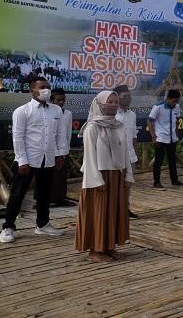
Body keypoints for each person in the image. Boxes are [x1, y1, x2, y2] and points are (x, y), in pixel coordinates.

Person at [0, 77, 66, 244]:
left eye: (48, 87)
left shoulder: (56, 111)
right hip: (27, 161)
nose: (46, 90)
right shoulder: (22, 111)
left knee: (44, 194)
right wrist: (22, 161)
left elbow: (60, 135)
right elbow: (18, 137)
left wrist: (60, 155)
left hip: (48, 159)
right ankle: (8, 227)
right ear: (32, 90)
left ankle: (43, 224)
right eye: (42, 87)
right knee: (17, 195)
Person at [75, 91, 133, 262]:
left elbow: (125, 152)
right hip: (98, 176)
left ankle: (109, 246)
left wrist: (128, 174)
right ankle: (95, 250)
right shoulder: (92, 127)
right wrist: (96, 180)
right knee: (98, 212)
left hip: (116, 175)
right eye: (110, 102)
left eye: (116, 102)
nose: (114, 105)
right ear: (100, 104)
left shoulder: (119, 125)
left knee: (113, 212)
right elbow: (89, 156)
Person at [148, 89, 183, 188]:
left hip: (172, 138)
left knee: (172, 160)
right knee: (158, 161)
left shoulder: (177, 106)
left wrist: (176, 133)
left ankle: (174, 180)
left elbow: (177, 120)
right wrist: (153, 137)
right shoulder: (158, 107)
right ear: (168, 98)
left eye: (177, 101)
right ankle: (156, 182)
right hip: (160, 138)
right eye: (174, 101)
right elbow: (149, 121)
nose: (175, 103)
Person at [114, 85, 140, 218]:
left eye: (129, 96)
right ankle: (115, 210)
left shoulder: (132, 115)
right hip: (116, 157)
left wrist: (136, 154)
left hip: (130, 156)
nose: (128, 99)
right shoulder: (112, 115)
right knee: (116, 185)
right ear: (117, 98)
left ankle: (125, 209)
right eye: (125, 96)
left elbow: (134, 136)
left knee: (128, 185)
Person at [49, 88, 75, 207]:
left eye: (63, 100)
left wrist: (65, 150)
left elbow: (68, 133)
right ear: (52, 100)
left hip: (63, 150)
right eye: (58, 100)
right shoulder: (48, 113)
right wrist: (55, 152)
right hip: (50, 150)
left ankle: (61, 199)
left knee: (62, 176)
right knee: (49, 176)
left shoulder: (68, 113)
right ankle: (48, 200)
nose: (61, 102)